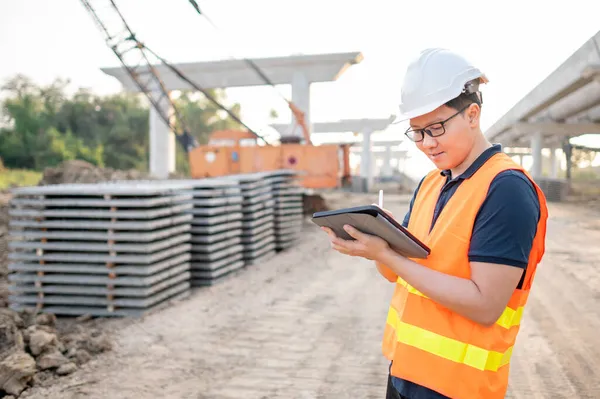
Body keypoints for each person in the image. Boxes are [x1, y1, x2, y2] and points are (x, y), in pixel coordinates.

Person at [321, 48, 548, 399]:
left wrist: (389, 254)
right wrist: (379, 244)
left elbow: (486, 305)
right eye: (417, 132)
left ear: (472, 114)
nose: (426, 143)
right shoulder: (431, 183)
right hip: (404, 373)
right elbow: (397, 274)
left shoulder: (506, 189)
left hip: (457, 388)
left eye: (436, 128)